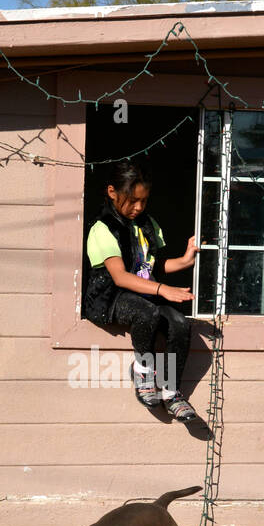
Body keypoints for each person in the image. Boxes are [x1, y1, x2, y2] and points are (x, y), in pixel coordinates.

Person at [83, 159, 199, 421]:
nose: (138, 207)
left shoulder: (147, 224)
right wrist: (163, 290)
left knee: (179, 323)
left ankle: (171, 392)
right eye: (132, 200)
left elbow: (153, 265)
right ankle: (142, 369)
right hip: (112, 298)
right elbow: (121, 277)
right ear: (112, 192)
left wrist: (184, 260)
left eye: (143, 201)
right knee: (146, 313)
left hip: (147, 293)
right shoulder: (103, 229)